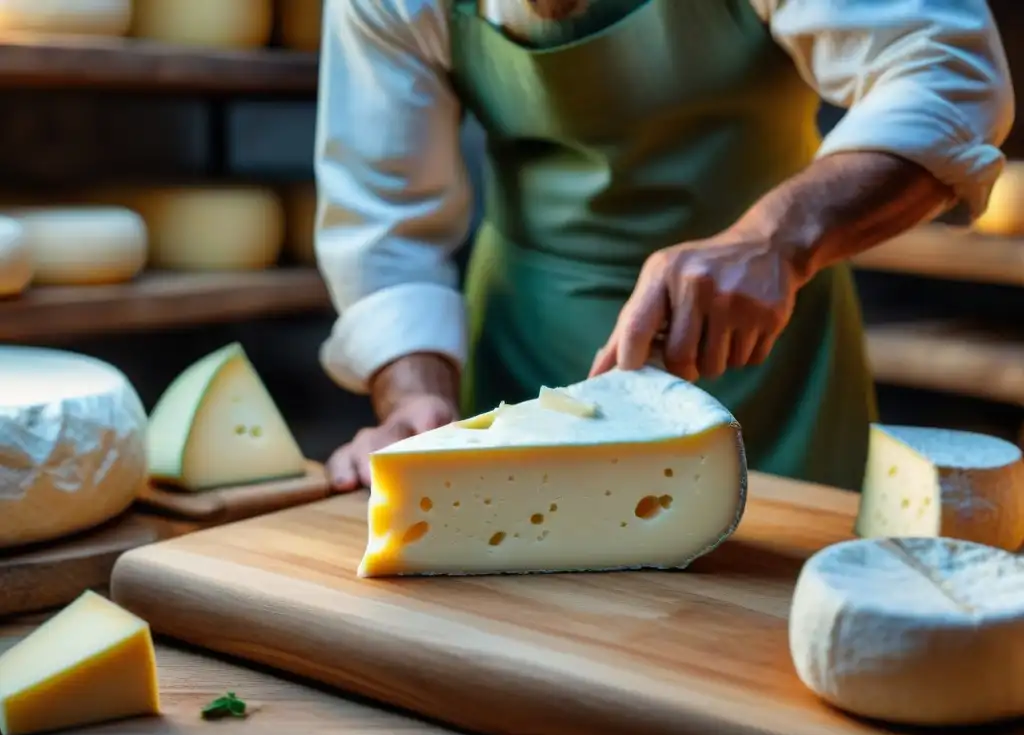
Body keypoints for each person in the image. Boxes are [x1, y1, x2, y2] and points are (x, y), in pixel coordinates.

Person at [313, 0, 1014, 493]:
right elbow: (383, 218)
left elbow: (949, 75)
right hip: (525, 346)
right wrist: (413, 398)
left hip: (775, 350)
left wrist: (775, 242)